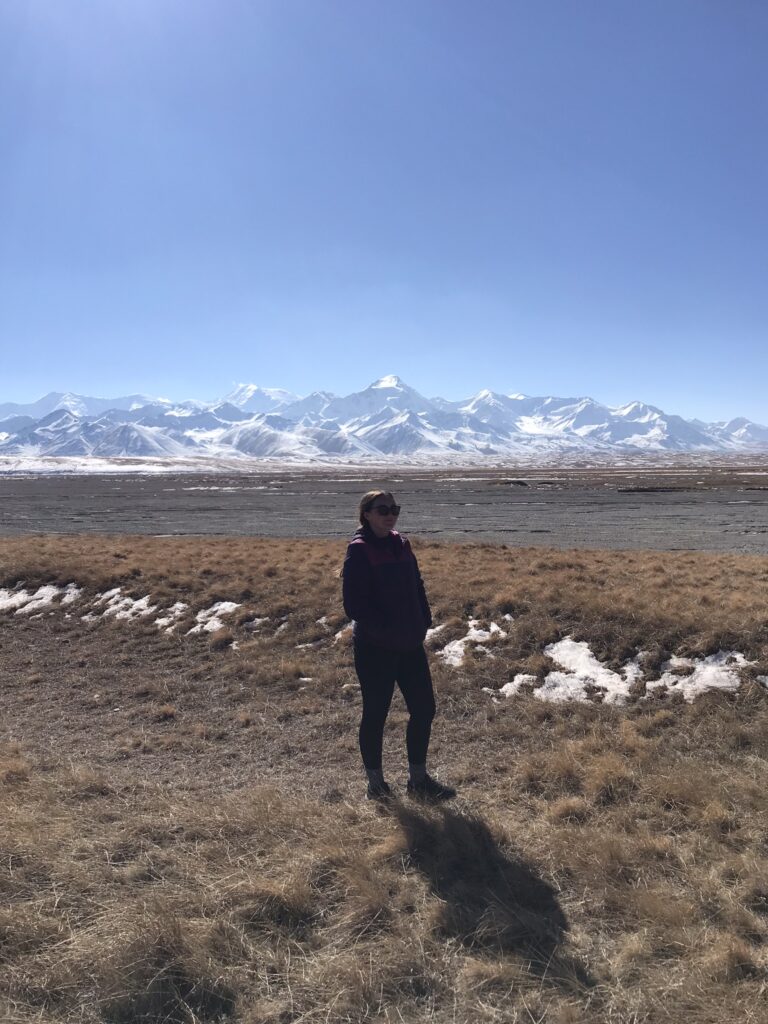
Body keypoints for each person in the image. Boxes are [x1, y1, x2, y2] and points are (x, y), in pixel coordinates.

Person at [342, 489, 456, 802]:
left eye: (395, 508)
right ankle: (376, 785)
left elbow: (416, 584)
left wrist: (423, 619)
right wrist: (387, 629)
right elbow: (354, 606)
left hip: (409, 644)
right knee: (376, 713)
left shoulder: (402, 544)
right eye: (382, 509)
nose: (390, 514)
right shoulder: (359, 550)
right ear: (366, 513)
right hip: (375, 649)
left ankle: (418, 780)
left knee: (424, 709)